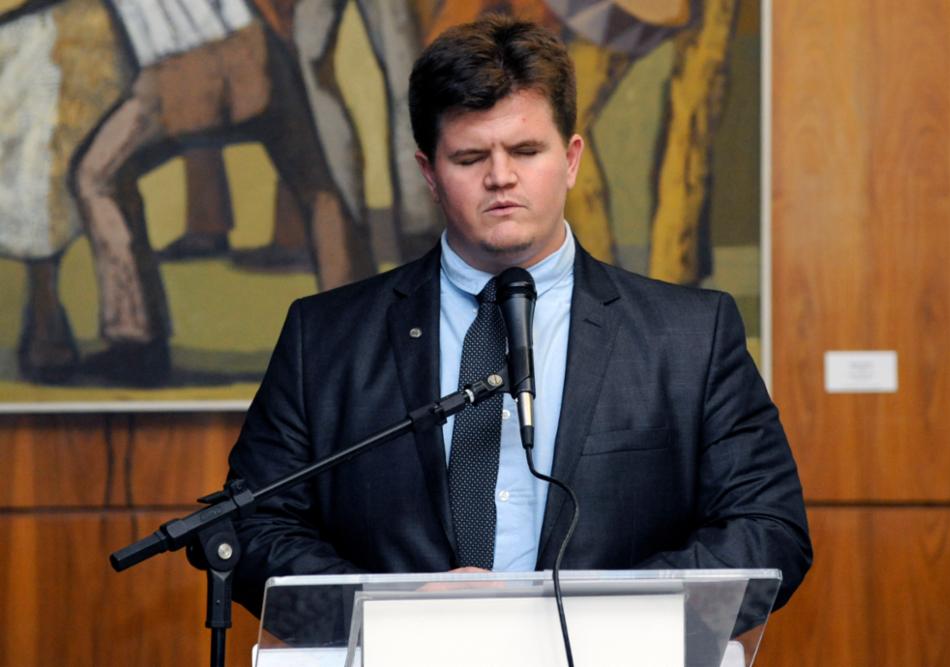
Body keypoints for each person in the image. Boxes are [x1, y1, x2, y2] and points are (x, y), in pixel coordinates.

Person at [228, 13, 811, 623]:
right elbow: (254, 526)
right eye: (470, 156)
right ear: (429, 173)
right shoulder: (323, 338)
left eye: (527, 150)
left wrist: (599, 612)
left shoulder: (692, 335)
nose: (501, 177)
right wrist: (391, 610)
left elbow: (768, 528)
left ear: (572, 158)